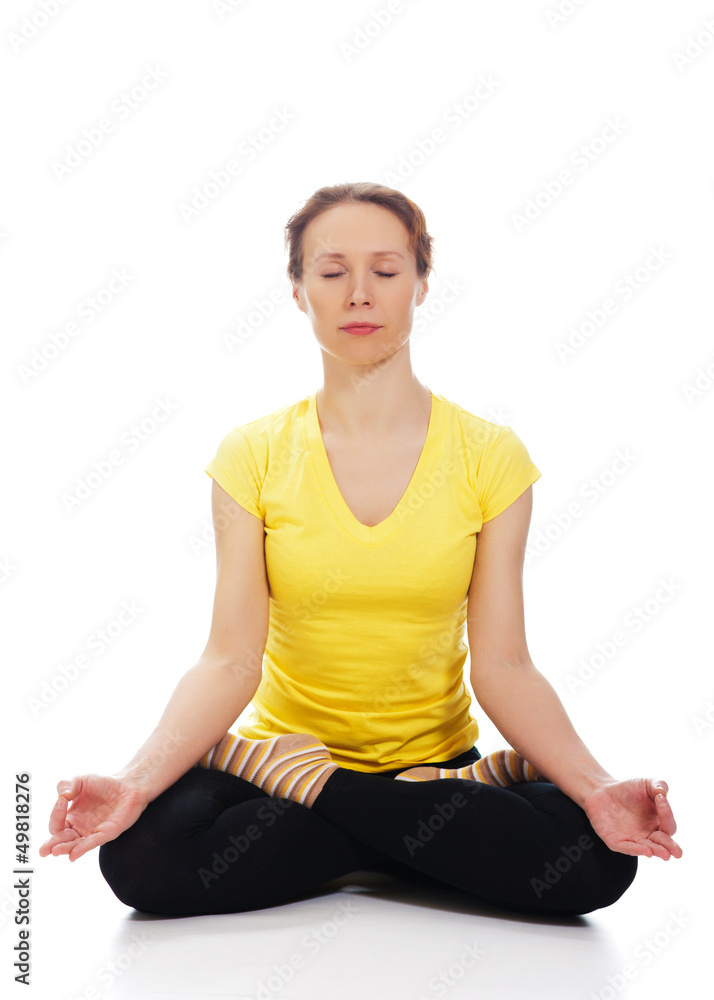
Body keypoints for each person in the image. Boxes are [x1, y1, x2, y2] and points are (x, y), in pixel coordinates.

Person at [40, 182, 682, 917]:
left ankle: (320, 791)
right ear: (298, 290)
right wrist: (135, 781)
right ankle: (413, 833)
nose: (359, 294)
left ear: (421, 283)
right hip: (314, 760)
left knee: (595, 863)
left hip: (409, 767)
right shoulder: (252, 455)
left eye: (385, 270)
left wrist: (597, 789)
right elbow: (229, 660)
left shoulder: (490, 456)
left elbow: (504, 665)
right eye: (331, 271)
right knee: (144, 859)